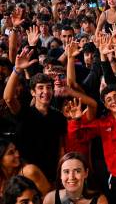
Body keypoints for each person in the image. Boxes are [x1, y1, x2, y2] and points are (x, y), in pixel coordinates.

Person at [3, 48, 67, 182]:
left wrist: (60, 175)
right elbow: (8, 98)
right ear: (33, 92)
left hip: (50, 174)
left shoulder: (59, 117)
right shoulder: (24, 113)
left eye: (49, 87)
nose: (46, 91)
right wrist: (17, 70)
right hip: (25, 175)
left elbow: (61, 149)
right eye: (41, 88)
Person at [43, 152, 108, 204]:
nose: (71, 177)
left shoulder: (99, 200)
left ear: (86, 173)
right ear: (60, 175)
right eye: (66, 171)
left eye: (77, 171)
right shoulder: (50, 199)